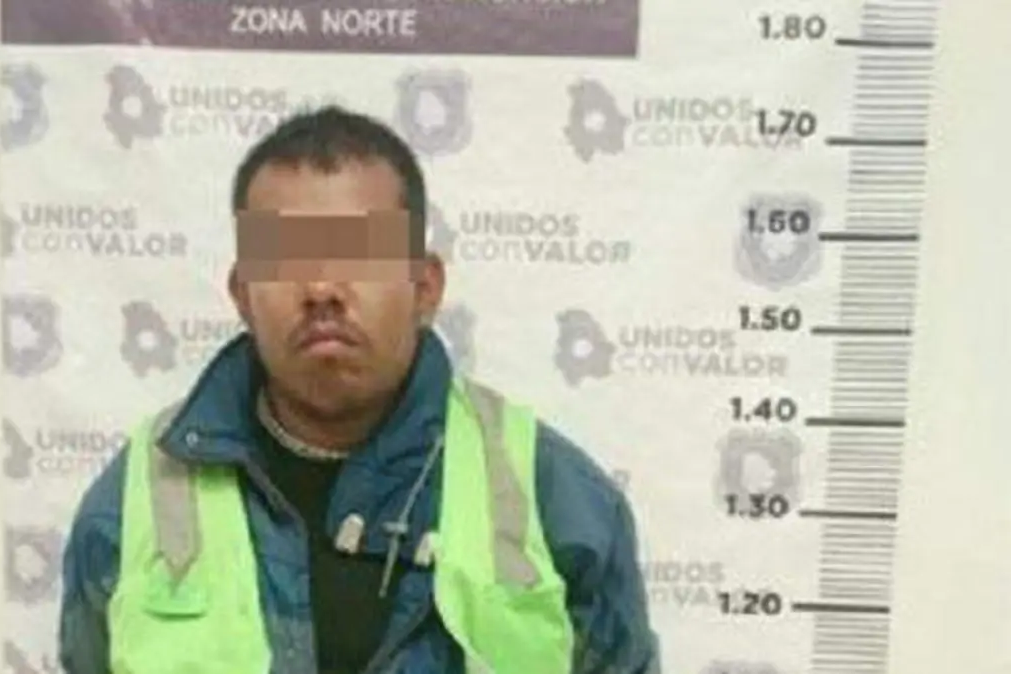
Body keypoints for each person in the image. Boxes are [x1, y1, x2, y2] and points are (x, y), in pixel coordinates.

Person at [59, 105, 660, 674]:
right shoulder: (136, 498)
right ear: (242, 295)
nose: (322, 289)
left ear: (425, 287)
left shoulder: (556, 497)